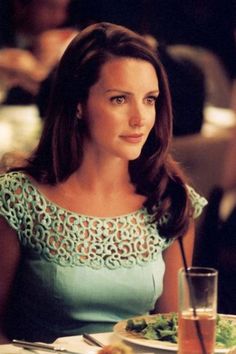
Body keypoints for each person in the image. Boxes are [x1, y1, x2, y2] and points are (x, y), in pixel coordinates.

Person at [0, 22, 207, 344]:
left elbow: (172, 336)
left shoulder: (171, 200)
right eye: (119, 99)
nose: (140, 118)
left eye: (150, 99)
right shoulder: (17, 198)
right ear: (78, 104)